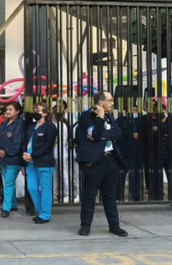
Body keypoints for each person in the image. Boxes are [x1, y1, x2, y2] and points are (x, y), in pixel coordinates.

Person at [76, 91, 128, 237]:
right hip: (94, 161)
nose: (112, 103)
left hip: (110, 159)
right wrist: (99, 121)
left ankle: (114, 225)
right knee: (90, 193)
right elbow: (96, 134)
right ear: (100, 102)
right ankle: (85, 225)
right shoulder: (87, 116)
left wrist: (101, 135)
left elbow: (118, 133)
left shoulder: (110, 117)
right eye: (109, 100)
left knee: (110, 194)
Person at [22, 102, 57, 224]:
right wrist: (26, 154)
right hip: (30, 162)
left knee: (46, 188)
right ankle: (41, 210)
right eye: (35, 110)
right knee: (32, 187)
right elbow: (26, 141)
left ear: (46, 113)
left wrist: (33, 155)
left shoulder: (50, 126)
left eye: (39, 111)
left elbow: (48, 146)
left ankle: (45, 214)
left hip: (44, 162)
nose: (36, 113)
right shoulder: (31, 126)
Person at [141, 101, 172, 201]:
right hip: (155, 152)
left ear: (165, 110)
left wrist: (158, 129)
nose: (158, 112)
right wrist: (164, 132)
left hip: (170, 151)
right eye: (156, 110)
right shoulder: (150, 121)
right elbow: (149, 133)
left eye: (161, 110)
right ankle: (156, 196)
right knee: (155, 176)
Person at [0, 101, 24, 218]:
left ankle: (6, 208)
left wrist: (6, 152)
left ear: (17, 111)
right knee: (8, 182)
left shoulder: (20, 124)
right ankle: (13, 204)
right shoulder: (4, 124)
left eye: (11, 109)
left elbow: (17, 143)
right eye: (7, 110)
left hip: (13, 159)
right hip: (2, 159)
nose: (8, 112)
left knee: (8, 183)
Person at [115, 105, 141, 201]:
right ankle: (118, 195)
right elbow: (118, 133)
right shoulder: (120, 120)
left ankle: (135, 195)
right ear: (126, 111)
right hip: (124, 151)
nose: (134, 112)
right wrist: (131, 134)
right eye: (131, 110)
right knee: (121, 174)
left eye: (135, 110)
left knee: (136, 174)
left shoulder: (139, 121)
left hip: (136, 151)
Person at [52, 105, 71, 203]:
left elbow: (55, 140)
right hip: (62, 150)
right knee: (60, 173)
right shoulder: (62, 124)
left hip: (58, 150)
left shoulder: (58, 125)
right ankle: (59, 192)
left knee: (61, 173)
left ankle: (66, 193)